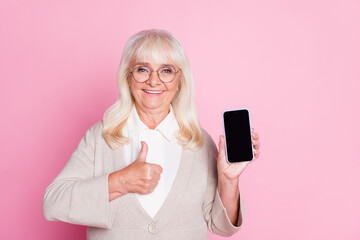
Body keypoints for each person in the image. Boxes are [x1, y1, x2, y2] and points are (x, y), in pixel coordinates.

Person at [43, 29, 260, 240]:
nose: (154, 81)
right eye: (142, 69)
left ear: (180, 81)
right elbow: (53, 203)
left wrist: (228, 180)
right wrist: (120, 181)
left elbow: (223, 227)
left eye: (166, 70)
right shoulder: (100, 137)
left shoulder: (199, 143)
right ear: (127, 77)